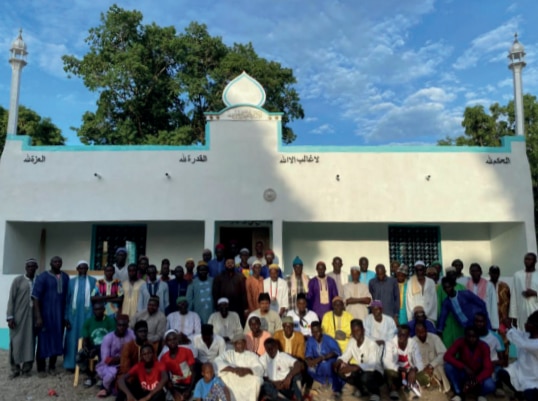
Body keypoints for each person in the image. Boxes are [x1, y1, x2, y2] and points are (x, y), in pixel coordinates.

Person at [32, 255, 69, 376]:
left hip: (59, 316)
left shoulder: (65, 277)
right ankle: (41, 368)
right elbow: (36, 298)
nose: (57, 263)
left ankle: (52, 366)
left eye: (59, 261)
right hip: (45, 315)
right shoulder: (42, 277)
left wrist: (66, 316)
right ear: (50, 263)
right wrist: (38, 317)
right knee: (43, 340)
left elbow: (68, 298)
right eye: (55, 261)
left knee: (57, 339)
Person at [334, 319, 384, 401]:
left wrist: (353, 367)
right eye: (353, 331)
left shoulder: (371, 344)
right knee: (340, 371)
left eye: (358, 330)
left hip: (375, 374)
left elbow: (372, 365)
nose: (356, 333)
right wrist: (339, 361)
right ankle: (362, 390)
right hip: (361, 371)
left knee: (364, 376)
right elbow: (346, 355)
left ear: (363, 330)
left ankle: (376, 393)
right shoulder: (352, 342)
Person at [444, 326, 495, 401]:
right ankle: (459, 393)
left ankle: (480, 395)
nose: (471, 339)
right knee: (448, 366)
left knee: (490, 385)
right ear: (465, 336)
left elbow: (488, 369)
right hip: (464, 372)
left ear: (478, 337)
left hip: (478, 375)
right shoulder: (460, 341)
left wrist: (475, 381)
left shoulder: (484, 346)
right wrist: (464, 367)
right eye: (469, 336)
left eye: (474, 337)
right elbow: (447, 356)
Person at [7, 258, 38, 378]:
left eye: (33, 266)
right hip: (18, 317)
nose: (31, 268)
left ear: (36, 267)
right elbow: (11, 299)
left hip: (33, 317)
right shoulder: (18, 281)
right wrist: (10, 317)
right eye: (29, 266)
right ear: (25, 268)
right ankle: (15, 369)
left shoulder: (38, 280)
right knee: (16, 342)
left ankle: (26, 369)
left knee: (30, 342)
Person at [63, 261, 97, 371]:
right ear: (77, 268)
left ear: (87, 269)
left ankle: (85, 365)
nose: (83, 270)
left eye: (85, 268)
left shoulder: (93, 281)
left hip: (88, 315)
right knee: (72, 340)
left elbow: (96, 299)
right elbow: (67, 301)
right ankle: (70, 364)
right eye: (80, 268)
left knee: (86, 339)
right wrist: (66, 317)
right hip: (73, 317)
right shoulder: (71, 282)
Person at [497, 310, 538, 401]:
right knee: (502, 373)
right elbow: (518, 334)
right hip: (520, 370)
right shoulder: (527, 335)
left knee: (529, 395)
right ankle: (519, 393)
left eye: (529, 323)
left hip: (534, 379)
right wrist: (509, 326)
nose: (525, 324)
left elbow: (522, 343)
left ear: (536, 327)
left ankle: (524, 394)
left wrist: (508, 327)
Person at [214, 334, 264, 401]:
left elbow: (259, 368)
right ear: (234, 345)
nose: (240, 346)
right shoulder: (228, 353)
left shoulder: (251, 355)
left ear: (245, 344)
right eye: (238, 343)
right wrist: (233, 369)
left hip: (246, 379)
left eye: (242, 343)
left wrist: (247, 370)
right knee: (221, 378)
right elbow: (217, 362)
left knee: (257, 380)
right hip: (232, 379)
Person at [95, 315, 135, 398]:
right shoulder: (108, 338)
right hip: (110, 365)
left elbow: (134, 349)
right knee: (111, 374)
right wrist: (121, 359)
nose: (122, 328)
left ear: (127, 326)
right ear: (116, 325)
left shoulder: (131, 334)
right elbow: (106, 359)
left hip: (127, 362)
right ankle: (105, 388)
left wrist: (124, 359)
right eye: (119, 325)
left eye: (124, 326)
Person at [80, 302, 117, 387]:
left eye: (100, 309)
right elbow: (85, 337)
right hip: (92, 346)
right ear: (93, 311)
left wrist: (97, 349)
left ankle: (101, 377)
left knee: (103, 356)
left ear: (104, 310)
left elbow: (111, 338)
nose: (98, 311)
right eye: (96, 309)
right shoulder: (89, 322)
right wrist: (86, 347)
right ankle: (90, 376)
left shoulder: (110, 321)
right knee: (79, 357)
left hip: (106, 347)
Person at [305, 321, 343, 396]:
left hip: (329, 362)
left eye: (318, 331)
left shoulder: (328, 339)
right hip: (318, 364)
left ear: (321, 330)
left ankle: (334, 386)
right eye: (313, 332)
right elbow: (308, 354)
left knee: (326, 365)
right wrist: (310, 361)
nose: (316, 334)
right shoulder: (310, 340)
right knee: (309, 369)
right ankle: (324, 382)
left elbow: (336, 352)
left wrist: (322, 358)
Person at [413, 322, 450, 394]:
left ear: (426, 330)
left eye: (423, 332)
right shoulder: (412, 341)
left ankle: (439, 385)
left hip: (434, 366)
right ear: (415, 332)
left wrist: (431, 365)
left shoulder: (435, 338)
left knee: (440, 367)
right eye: (418, 333)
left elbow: (443, 354)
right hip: (420, 368)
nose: (421, 335)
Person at [383, 325, 418, 401]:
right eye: (399, 334)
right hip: (397, 371)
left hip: (408, 371)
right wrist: (399, 368)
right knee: (388, 371)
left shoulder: (413, 344)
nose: (401, 336)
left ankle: (410, 389)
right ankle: (393, 389)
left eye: (404, 334)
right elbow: (386, 361)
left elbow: (418, 362)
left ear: (408, 335)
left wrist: (414, 369)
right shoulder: (390, 342)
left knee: (417, 374)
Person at [160, 330, 197, 401]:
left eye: (174, 339)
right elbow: (166, 378)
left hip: (189, 385)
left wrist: (189, 390)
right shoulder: (164, 358)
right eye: (169, 340)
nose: (172, 342)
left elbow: (194, 372)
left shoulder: (187, 351)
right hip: (175, 386)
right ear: (166, 343)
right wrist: (174, 392)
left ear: (177, 340)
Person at [474, 312, 505, 394]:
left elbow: (502, 360)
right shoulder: (471, 336)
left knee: (499, 372)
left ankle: (497, 386)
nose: (479, 324)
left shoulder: (495, 337)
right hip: (475, 366)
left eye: (481, 321)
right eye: (477, 321)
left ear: (485, 322)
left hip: (491, 366)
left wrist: (490, 363)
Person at [437, 265, 466, 348]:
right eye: (449, 274)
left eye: (453, 274)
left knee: (460, 343)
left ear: (456, 275)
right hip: (447, 321)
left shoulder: (462, 287)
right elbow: (439, 305)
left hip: (459, 321)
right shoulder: (441, 288)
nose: (452, 276)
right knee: (447, 344)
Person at [212, 258, 248, 326]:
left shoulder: (240, 277)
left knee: (238, 324)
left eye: (232, 263)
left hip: (238, 306)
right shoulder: (219, 277)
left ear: (234, 264)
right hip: (224, 307)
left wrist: (245, 308)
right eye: (228, 263)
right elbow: (215, 293)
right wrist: (217, 307)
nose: (230, 264)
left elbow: (244, 293)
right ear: (225, 265)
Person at [510, 252, 538, 332]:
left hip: (536, 309)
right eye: (526, 259)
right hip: (522, 311)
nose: (527, 261)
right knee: (523, 331)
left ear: (535, 261)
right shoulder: (517, 275)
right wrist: (513, 316)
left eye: (530, 259)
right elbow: (514, 296)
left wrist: (535, 293)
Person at [466, 263, 499, 330]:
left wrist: (494, 324)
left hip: (485, 317)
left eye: (477, 271)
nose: (475, 273)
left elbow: (493, 305)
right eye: (473, 271)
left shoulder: (489, 285)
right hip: (471, 318)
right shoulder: (466, 285)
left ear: (481, 272)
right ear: (470, 272)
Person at [489, 265, 511, 364]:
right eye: (492, 272)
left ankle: (505, 363)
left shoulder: (505, 286)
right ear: (489, 274)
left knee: (505, 341)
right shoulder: (486, 286)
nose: (494, 275)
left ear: (499, 274)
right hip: (489, 319)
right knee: (491, 341)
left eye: (496, 272)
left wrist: (509, 318)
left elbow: (510, 303)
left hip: (503, 319)